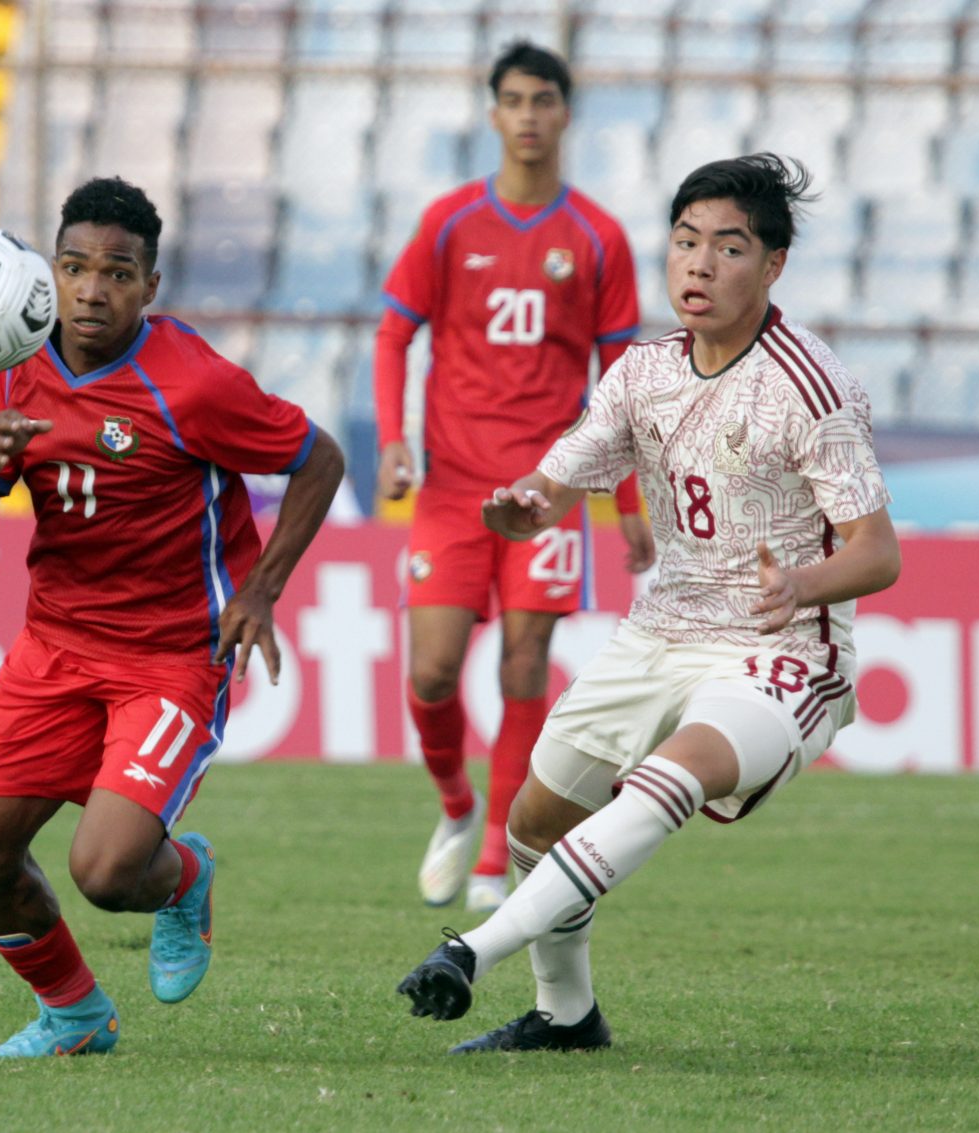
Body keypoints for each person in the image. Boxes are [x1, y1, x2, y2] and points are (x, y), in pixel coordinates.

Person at [396, 154, 901, 1053]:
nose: (699, 265)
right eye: (685, 242)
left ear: (773, 265)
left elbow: (877, 552)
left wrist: (799, 583)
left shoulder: (812, 387)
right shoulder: (642, 373)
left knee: (673, 772)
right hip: (659, 631)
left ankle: (472, 950)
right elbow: (562, 476)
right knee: (534, 822)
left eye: (728, 248)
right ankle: (565, 1017)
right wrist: (528, 504)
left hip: (779, 649)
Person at [0, 176, 344, 1058]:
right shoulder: (13, 365)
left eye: (118, 273)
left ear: (150, 286)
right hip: (54, 647)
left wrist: (262, 588)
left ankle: (185, 874)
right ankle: (76, 1017)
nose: (93, 289)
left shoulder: (193, 384)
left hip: (169, 657)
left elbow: (319, 458)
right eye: (76, 266)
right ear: (50, 271)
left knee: (106, 870)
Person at [376, 40, 656, 915]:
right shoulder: (451, 221)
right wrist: (394, 440)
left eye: (544, 100)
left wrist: (628, 503)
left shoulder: (599, 238)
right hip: (453, 488)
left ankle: (498, 846)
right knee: (430, 673)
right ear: (493, 114)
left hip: (547, 493)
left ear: (566, 114)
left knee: (525, 661)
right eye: (514, 100)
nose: (529, 116)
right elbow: (393, 334)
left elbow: (624, 387)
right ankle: (456, 807)